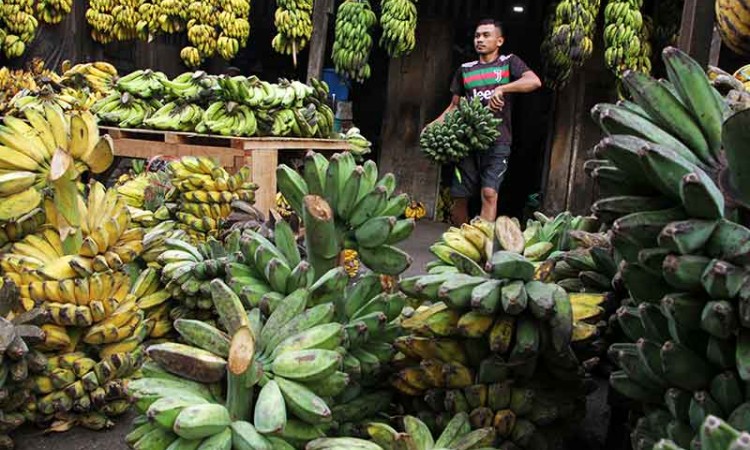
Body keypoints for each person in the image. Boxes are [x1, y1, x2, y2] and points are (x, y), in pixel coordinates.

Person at [427, 19, 542, 224]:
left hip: (499, 141)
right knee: (459, 196)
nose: (480, 39)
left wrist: (503, 88)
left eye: (486, 35)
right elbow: (454, 106)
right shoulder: (465, 70)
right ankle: (462, 241)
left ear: (499, 41)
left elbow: (534, 81)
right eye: (477, 36)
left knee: (489, 193)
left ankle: (483, 244)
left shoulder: (509, 62)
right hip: (467, 141)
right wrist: (433, 125)